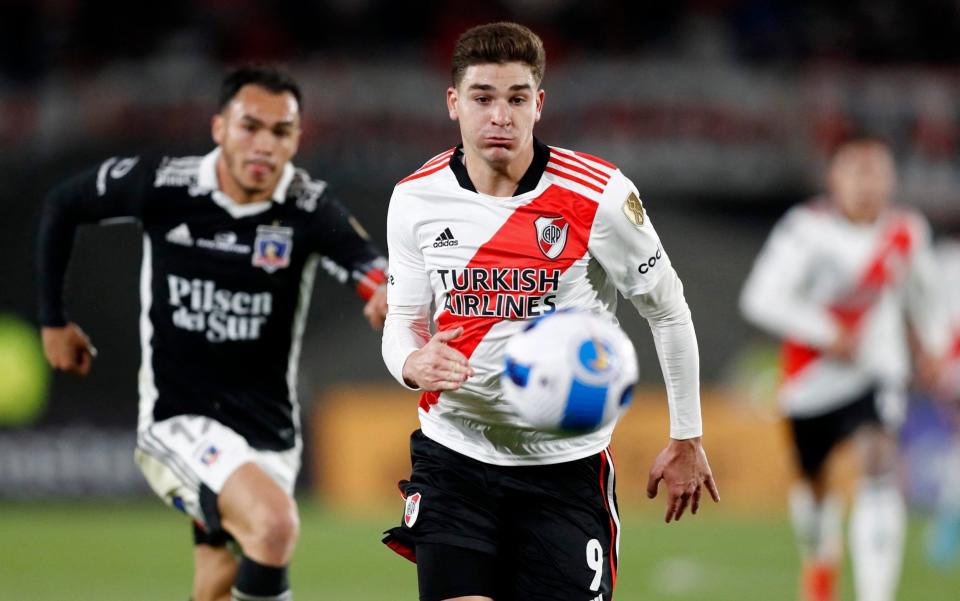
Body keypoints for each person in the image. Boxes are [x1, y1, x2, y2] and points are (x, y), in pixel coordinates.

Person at [380, 22, 719, 601]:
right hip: (455, 453)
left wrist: (686, 435)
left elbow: (667, 309)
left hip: (566, 469)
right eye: (483, 98)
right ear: (454, 103)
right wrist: (411, 365)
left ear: (538, 105)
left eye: (516, 99)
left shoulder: (599, 195)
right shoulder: (415, 198)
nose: (500, 116)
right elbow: (402, 322)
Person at [37, 64, 388, 601]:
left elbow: (369, 268)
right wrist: (53, 320)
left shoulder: (307, 204)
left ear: (297, 139)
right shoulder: (164, 183)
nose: (265, 144)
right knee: (273, 525)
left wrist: (386, 296)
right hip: (179, 420)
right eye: (250, 126)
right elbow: (64, 203)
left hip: (269, 432)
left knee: (217, 582)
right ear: (219, 128)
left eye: (281, 131)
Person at [740, 137, 949, 601]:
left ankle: (876, 594)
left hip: (876, 372)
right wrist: (824, 332)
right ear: (834, 177)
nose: (866, 182)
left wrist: (934, 348)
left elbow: (925, 297)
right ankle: (820, 561)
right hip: (809, 380)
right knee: (814, 493)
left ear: (891, 179)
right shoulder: (804, 230)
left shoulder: (907, 231)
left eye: (876, 171)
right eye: (856, 170)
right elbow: (760, 297)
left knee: (878, 462)